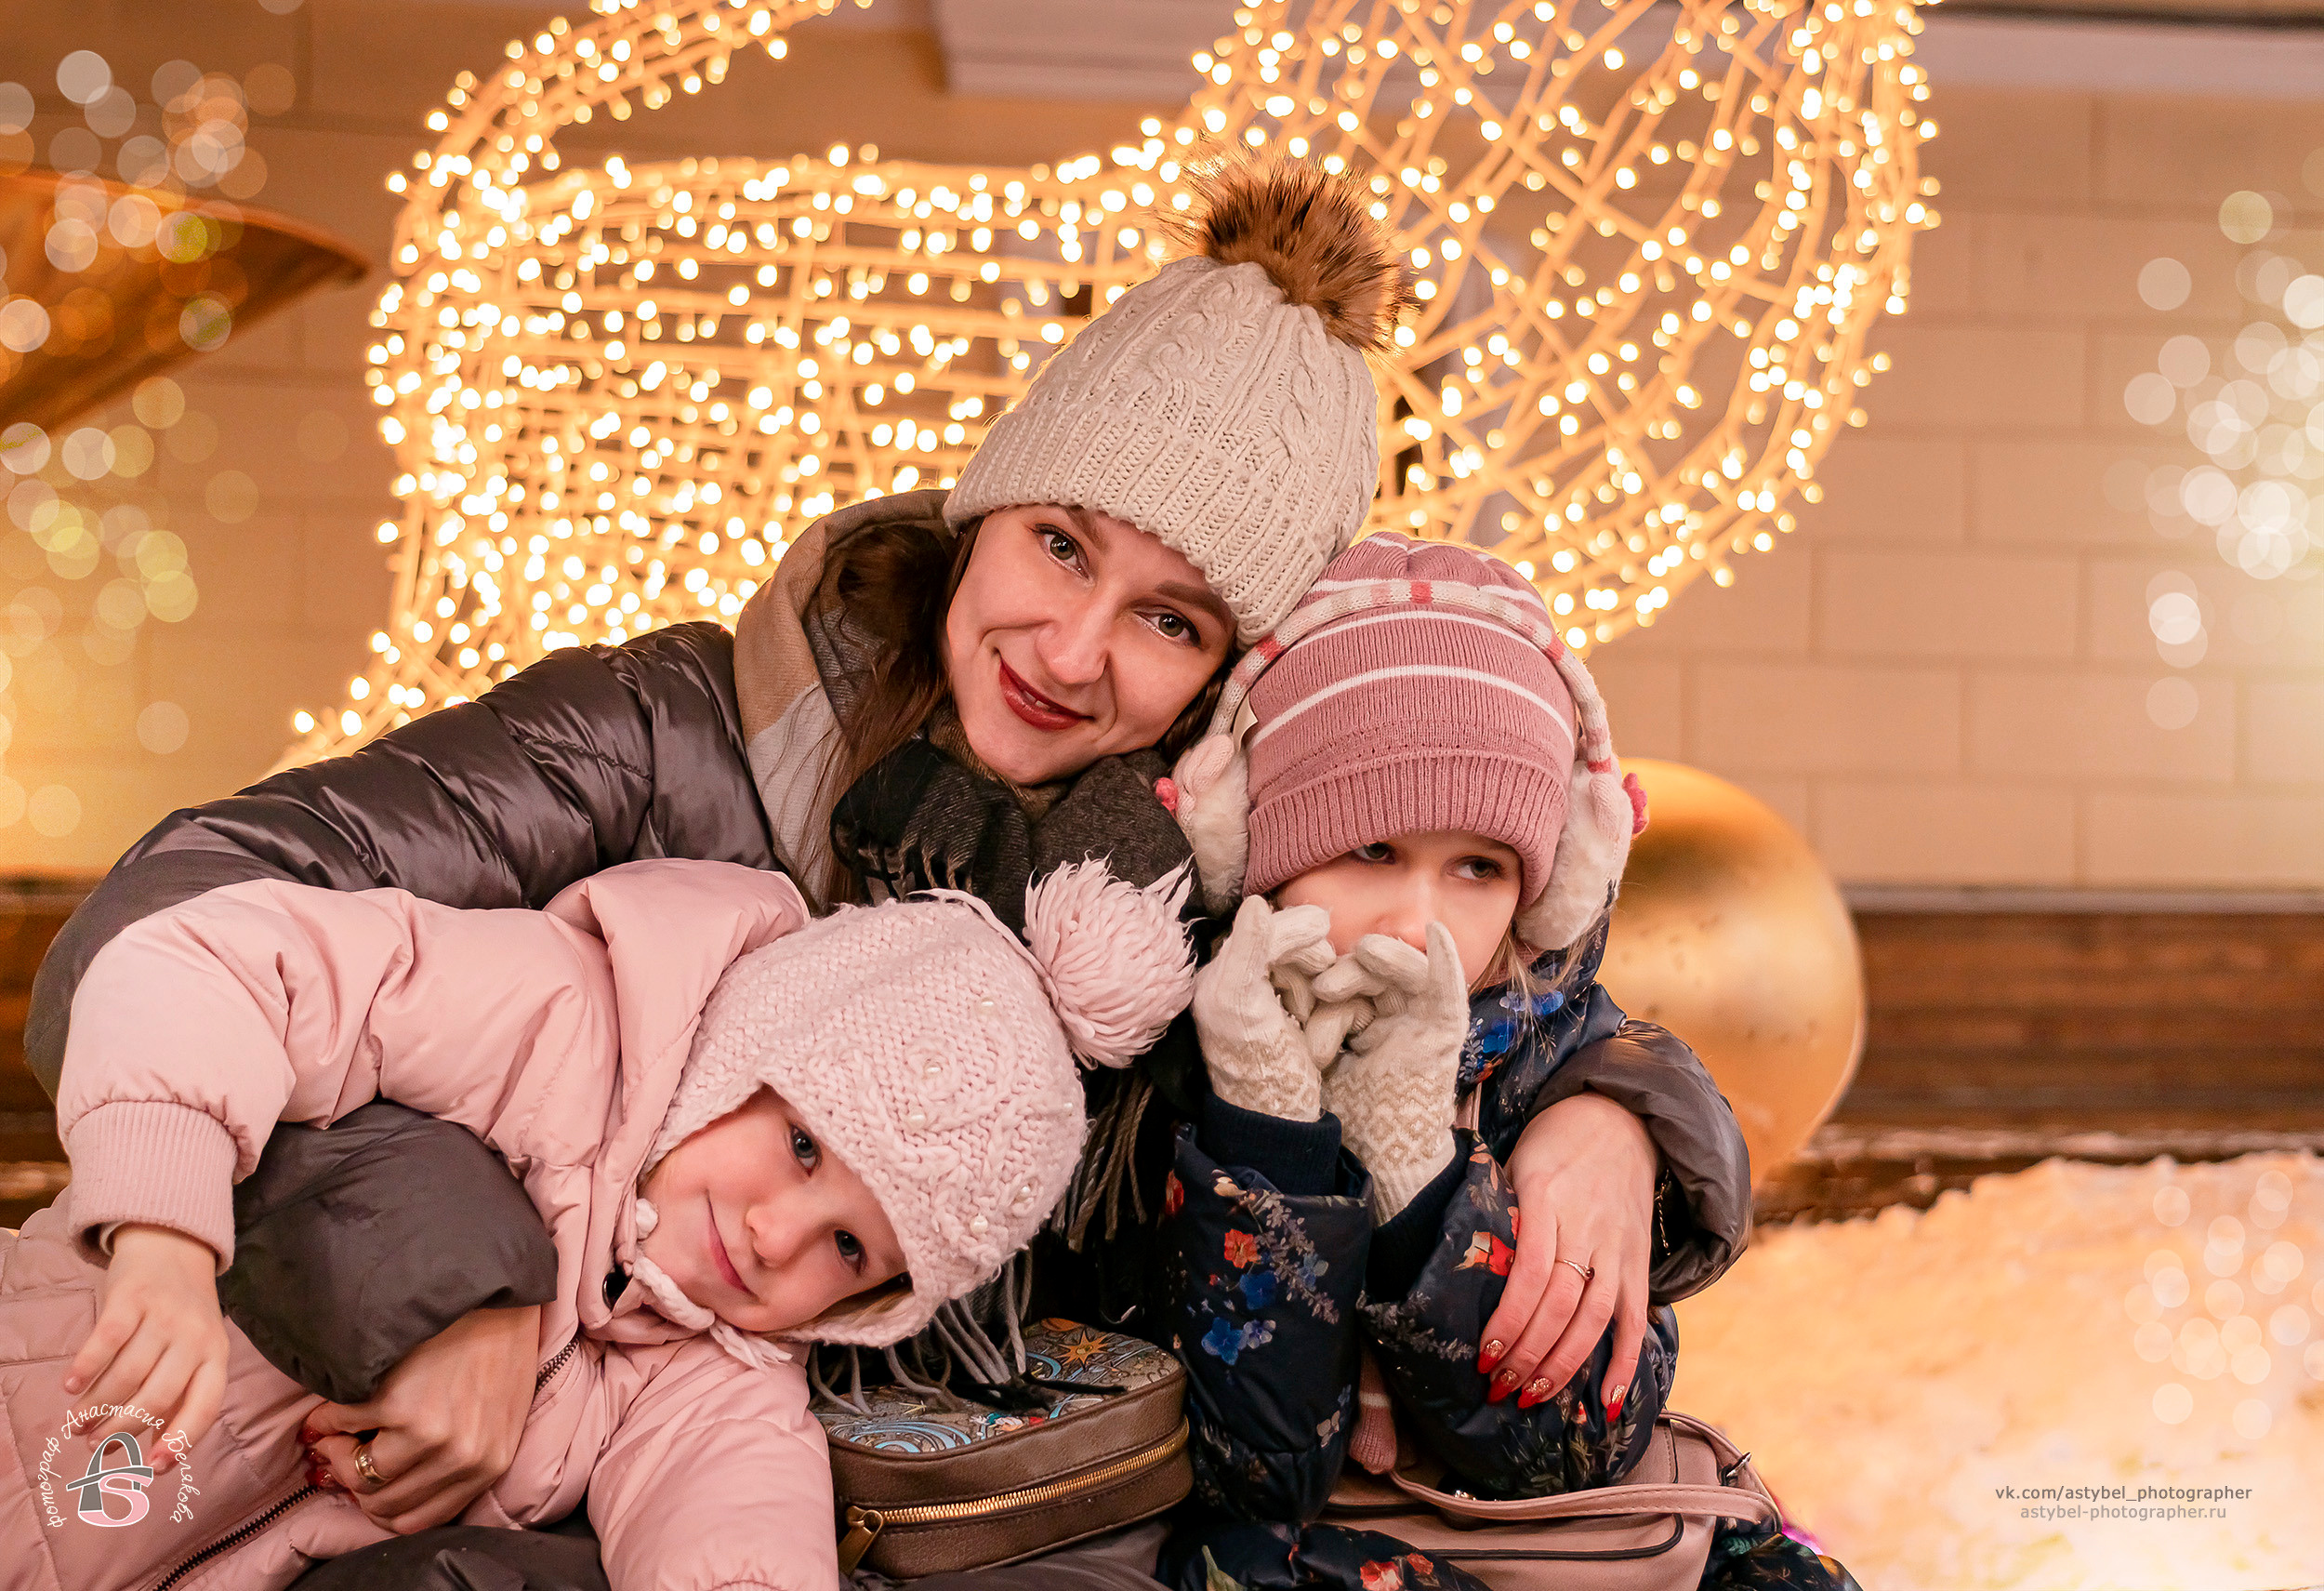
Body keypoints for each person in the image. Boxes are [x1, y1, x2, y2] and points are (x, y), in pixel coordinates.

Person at [24, 159, 1750, 1584]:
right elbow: (180, 919)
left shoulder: (1173, 894)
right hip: (443, 1411)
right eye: (1058, 545)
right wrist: (461, 1280)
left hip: (852, 1493)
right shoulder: (673, 726)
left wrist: (1613, 1109)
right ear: (982, 511)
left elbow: (1459, 952)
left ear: (1226, 677)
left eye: (1167, 618)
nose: (1070, 650)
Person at [7, 855, 1194, 1591]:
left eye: (851, 1250)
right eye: (801, 1143)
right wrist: (164, 1226)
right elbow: (228, 963)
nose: (778, 1237)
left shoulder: (715, 1369)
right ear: (745, 1051)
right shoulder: (555, 1019)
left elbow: (731, 1517)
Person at [1155, 535, 1851, 1590]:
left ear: (1546, 886)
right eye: (1372, 849)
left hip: (1540, 1537)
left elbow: (1572, 1441)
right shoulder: (1184, 1048)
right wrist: (1271, 1132)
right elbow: (1256, 1474)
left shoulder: (1547, 1057)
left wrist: (1420, 1184)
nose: (1416, 919)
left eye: (1477, 867)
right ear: (1258, 840)